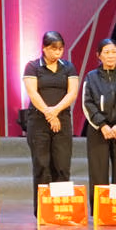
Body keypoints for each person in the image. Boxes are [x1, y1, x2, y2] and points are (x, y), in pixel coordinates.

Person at [22, 30, 78, 212]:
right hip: (38, 121)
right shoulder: (32, 67)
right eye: (54, 49)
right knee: (41, 165)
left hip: (62, 120)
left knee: (62, 165)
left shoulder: (68, 67)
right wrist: (49, 114)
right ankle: (43, 210)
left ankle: (60, 208)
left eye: (60, 49)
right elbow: (33, 93)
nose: (57, 53)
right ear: (44, 48)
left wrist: (56, 112)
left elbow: (72, 93)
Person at [80, 38, 116, 188]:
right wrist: (102, 125)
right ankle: (98, 204)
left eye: (114, 52)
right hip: (98, 131)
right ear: (99, 55)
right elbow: (87, 104)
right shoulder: (91, 77)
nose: (110, 55)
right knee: (98, 174)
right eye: (106, 52)